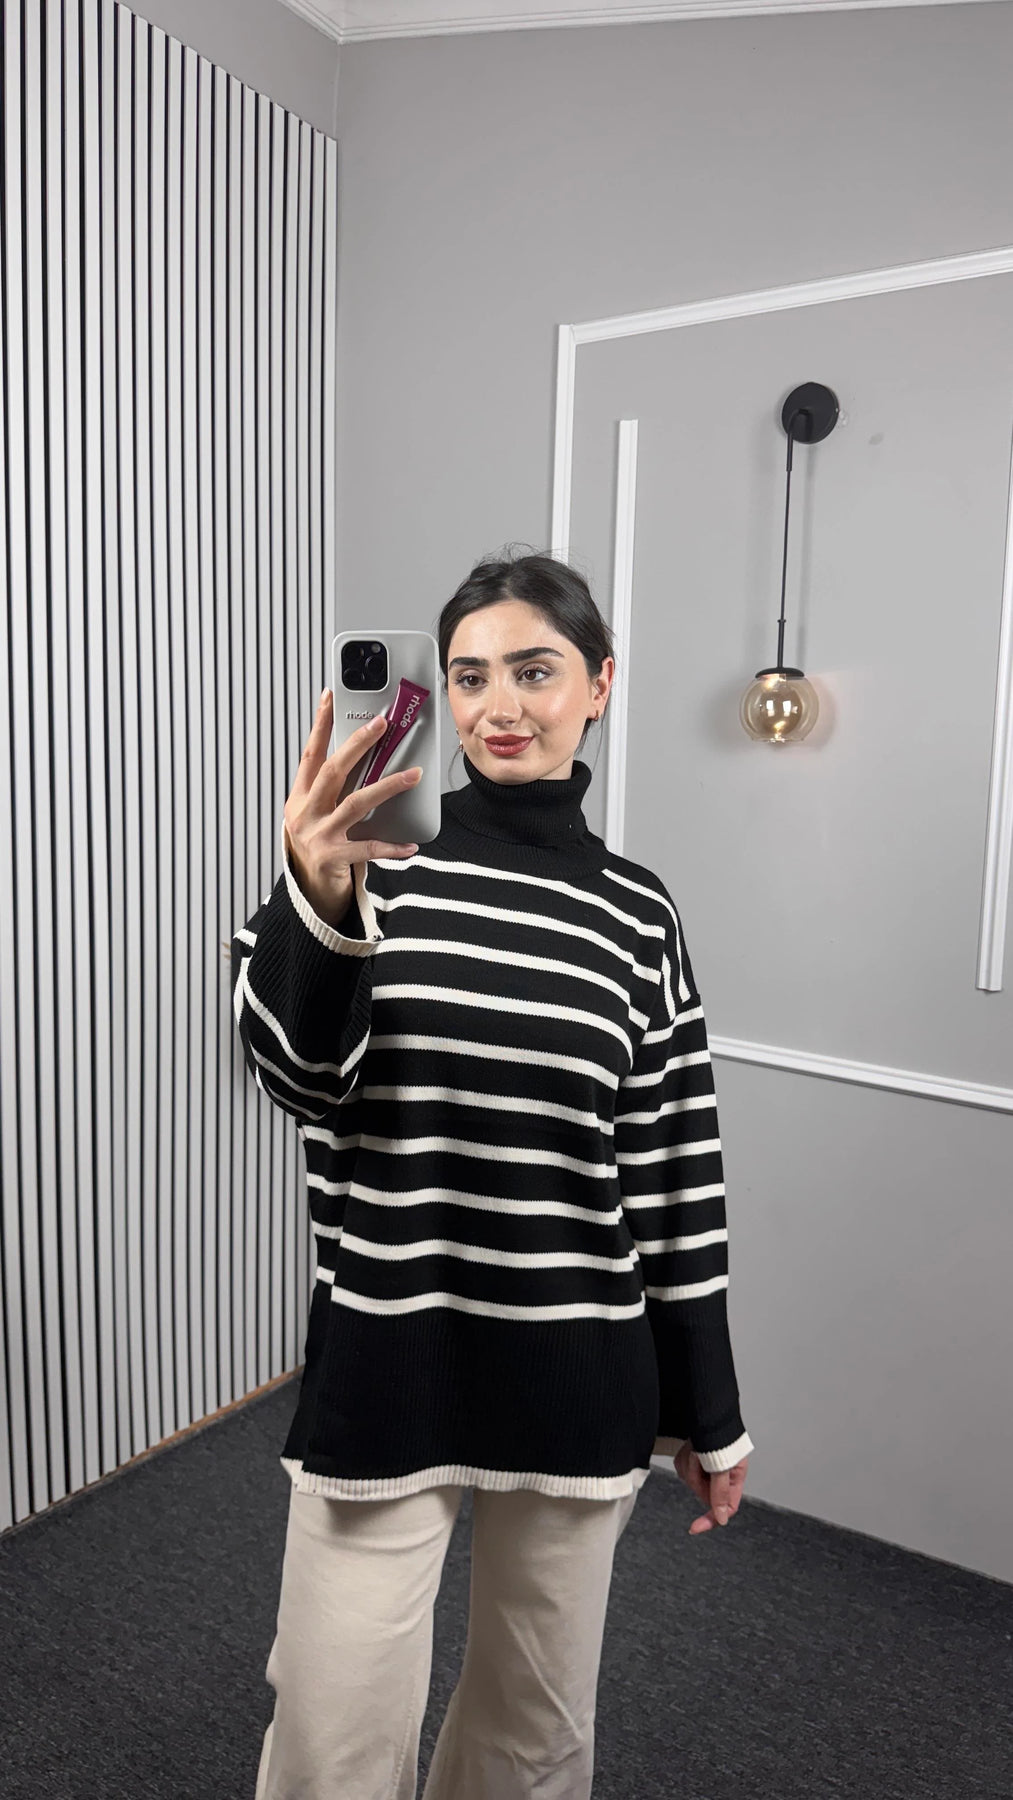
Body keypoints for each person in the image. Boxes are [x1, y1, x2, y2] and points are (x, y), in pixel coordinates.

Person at [230, 549, 754, 1800]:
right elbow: (296, 1077)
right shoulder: (359, 865)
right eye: (467, 677)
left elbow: (671, 1167)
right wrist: (315, 893)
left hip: (576, 1367)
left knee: (534, 1729)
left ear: (598, 686)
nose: (498, 707)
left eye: (534, 671)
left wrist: (708, 1407)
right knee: (330, 1727)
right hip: (386, 1356)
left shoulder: (637, 914)